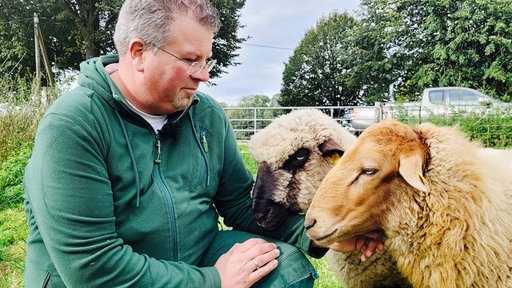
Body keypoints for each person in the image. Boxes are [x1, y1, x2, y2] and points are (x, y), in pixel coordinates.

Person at [23, 0, 382, 287]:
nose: (205, 74)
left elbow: (243, 206)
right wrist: (214, 280)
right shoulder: (72, 126)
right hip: (117, 274)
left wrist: (322, 236)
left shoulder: (205, 114)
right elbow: (91, 266)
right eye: (191, 60)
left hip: (195, 253)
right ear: (137, 52)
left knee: (284, 269)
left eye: (207, 59)